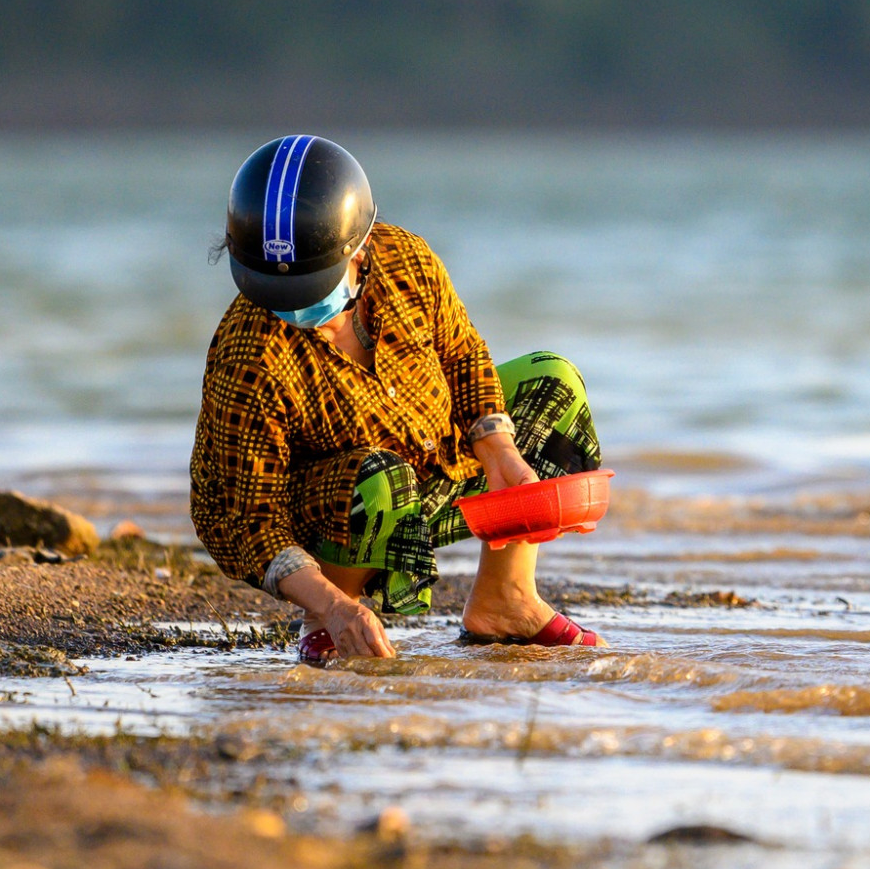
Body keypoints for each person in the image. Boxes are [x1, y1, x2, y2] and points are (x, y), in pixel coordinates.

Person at [190, 135, 605, 660]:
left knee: (554, 385)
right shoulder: (248, 353)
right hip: (323, 512)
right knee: (380, 477)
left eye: (311, 291)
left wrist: (501, 454)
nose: (294, 312)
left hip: (426, 461)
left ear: (358, 248)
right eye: (276, 296)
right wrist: (333, 604)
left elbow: (462, 355)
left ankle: (506, 598)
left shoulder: (406, 260)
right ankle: (330, 621)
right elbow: (250, 520)